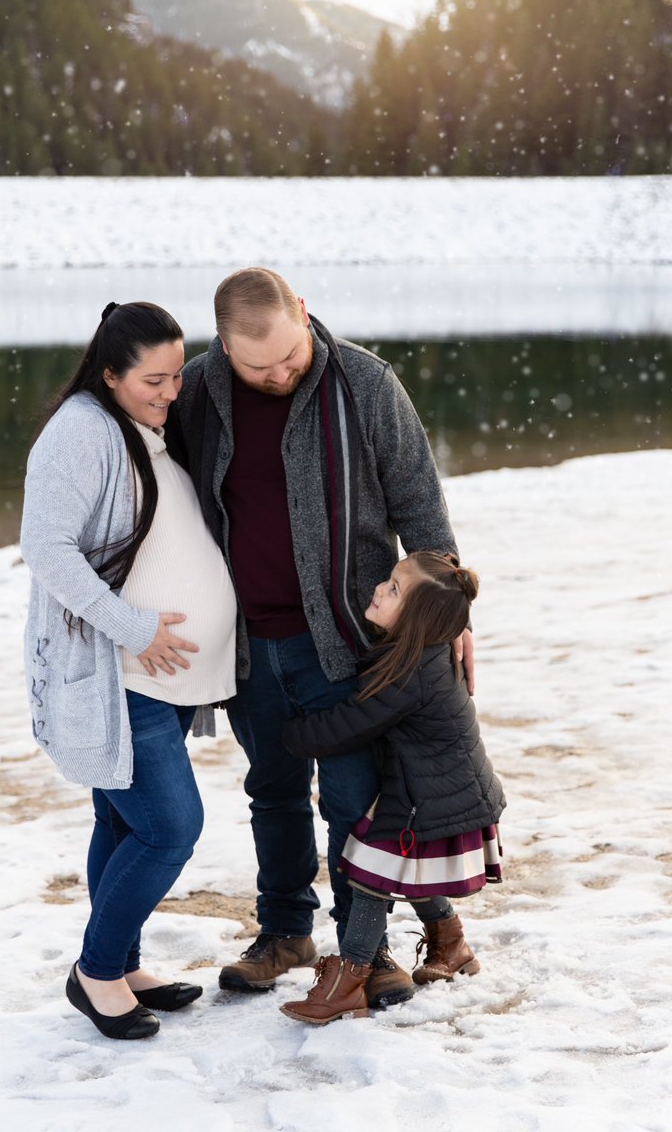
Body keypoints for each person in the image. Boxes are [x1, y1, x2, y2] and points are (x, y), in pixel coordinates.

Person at [166, 266, 474, 1009]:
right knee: (271, 789)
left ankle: (365, 950)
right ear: (224, 348)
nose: (277, 374)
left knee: (354, 800)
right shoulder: (200, 391)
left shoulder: (365, 384)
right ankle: (283, 933)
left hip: (345, 638)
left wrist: (450, 622)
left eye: (288, 356)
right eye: (257, 365)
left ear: (302, 313)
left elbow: (418, 504)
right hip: (244, 638)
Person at [20, 301, 237, 1041]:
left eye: (178, 375)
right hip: (121, 670)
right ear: (109, 374)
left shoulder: (136, 423)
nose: (171, 391)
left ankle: (122, 963)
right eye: (154, 378)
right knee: (171, 826)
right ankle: (96, 970)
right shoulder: (80, 432)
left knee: (121, 819)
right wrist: (135, 626)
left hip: (161, 675)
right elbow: (47, 549)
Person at [279, 551, 505, 1025]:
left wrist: (286, 735)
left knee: (370, 878)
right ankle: (452, 945)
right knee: (407, 872)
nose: (380, 589)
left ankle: (349, 981)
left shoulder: (411, 673)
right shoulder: (420, 654)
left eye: (395, 589)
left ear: (417, 617)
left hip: (431, 798)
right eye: (388, 581)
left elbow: (351, 723)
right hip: (434, 790)